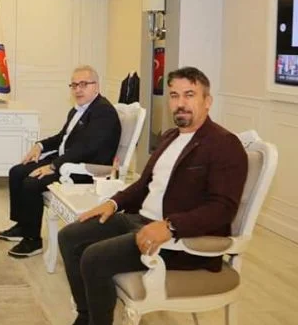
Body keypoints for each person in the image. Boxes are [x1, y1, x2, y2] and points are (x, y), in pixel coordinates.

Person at [58, 66, 248, 325]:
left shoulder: (224, 144)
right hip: (140, 220)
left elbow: (222, 208)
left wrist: (171, 226)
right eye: (174, 95)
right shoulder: (170, 137)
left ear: (207, 101)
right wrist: (113, 203)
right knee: (69, 237)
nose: (180, 103)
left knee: (94, 257)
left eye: (189, 95)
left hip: (179, 240)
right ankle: (86, 317)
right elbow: (144, 185)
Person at [0, 65, 121, 258]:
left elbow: (86, 148)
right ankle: (23, 226)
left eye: (83, 84)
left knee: (31, 182)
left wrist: (54, 166)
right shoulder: (78, 110)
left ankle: (32, 240)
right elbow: (62, 138)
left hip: (84, 170)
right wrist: (40, 146)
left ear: (96, 86)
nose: (78, 89)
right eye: (74, 85)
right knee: (17, 171)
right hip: (66, 161)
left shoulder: (103, 112)